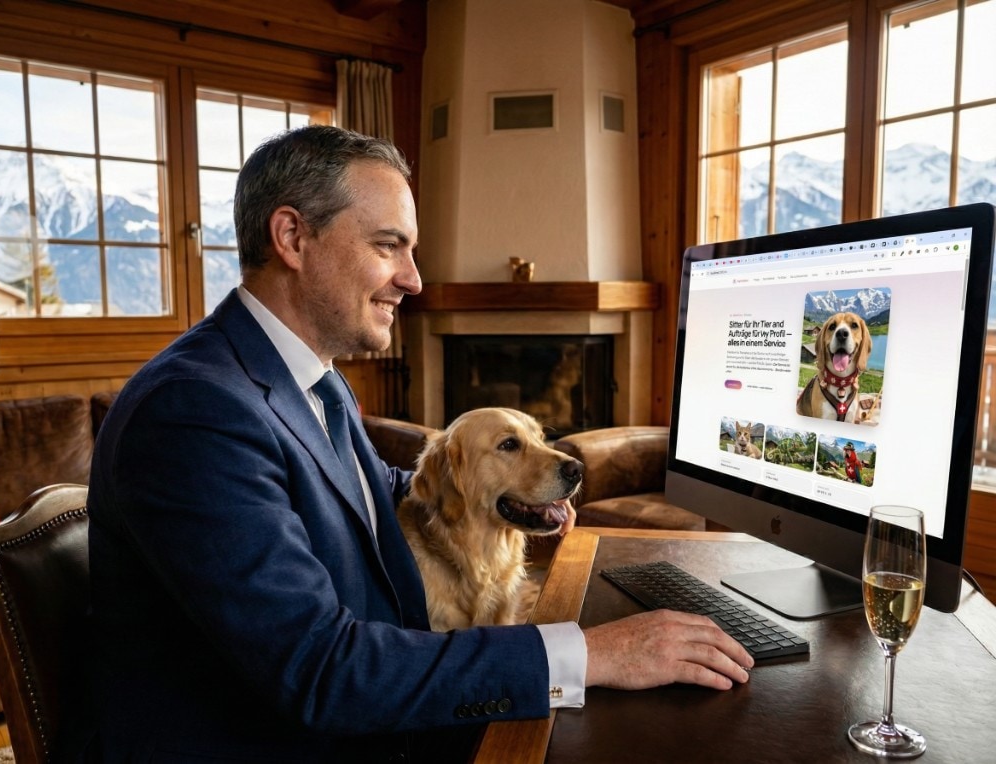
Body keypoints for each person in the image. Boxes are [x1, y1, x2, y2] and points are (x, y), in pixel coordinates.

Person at [86, 125, 753, 762]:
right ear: (292, 236)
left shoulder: (310, 377)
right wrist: (590, 654)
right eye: (388, 245)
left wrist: (494, 491)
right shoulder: (196, 412)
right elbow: (322, 670)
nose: (414, 279)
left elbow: (374, 489)